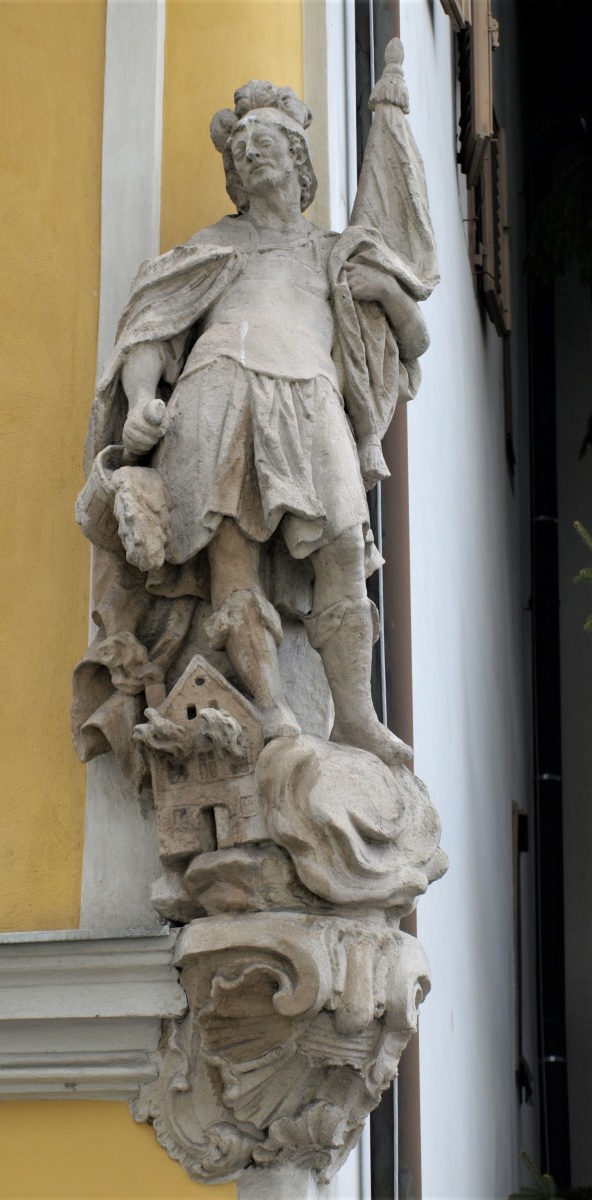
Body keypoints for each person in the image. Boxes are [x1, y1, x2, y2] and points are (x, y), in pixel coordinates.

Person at [84, 65, 437, 767]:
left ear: (298, 161)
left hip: (309, 396)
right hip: (216, 393)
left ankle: (356, 718)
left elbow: (414, 339)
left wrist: (391, 295)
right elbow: (151, 327)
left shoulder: (335, 253)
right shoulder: (212, 247)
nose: (249, 151)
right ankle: (270, 707)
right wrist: (144, 400)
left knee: (343, 544)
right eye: (240, 147)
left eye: (264, 141)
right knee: (231, 552)